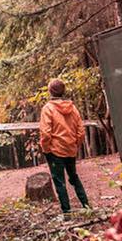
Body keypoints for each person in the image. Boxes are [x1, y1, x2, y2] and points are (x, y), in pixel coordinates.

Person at [39, 78, 91, 215]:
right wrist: (75, 145)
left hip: (55, 151)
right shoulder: (73, 108)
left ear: (50, 91)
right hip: (70, 149)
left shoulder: (48, 108)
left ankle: (67, 212)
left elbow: (45, 132)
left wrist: (46, 149)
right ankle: (87, 206)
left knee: (59, 181)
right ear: (63, 91)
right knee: (74, 177)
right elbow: (81, 131)